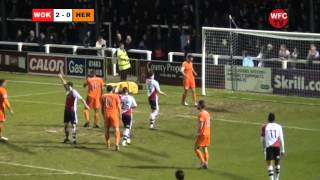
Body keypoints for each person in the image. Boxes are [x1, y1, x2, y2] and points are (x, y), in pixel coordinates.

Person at [58, 74, 90, 144]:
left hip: (72, 111)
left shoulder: (74, 92)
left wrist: (86, 105)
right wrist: (61, 77)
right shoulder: (67, 90)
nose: (67, 87)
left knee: (73, 125)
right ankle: (67, 138)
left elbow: (81, 99)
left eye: (68, 86)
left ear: (71, 86)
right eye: (67, 86)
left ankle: (74, 139)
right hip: (66, 110)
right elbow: (64, 83)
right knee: (65, 125)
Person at [261, 113, 285, 180]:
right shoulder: (279, 126)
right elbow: (281, 138)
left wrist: (263, 148)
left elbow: (262, 139)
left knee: (269, 164)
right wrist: (283, 149)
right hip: (277, 147)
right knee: (277, 164)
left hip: (269, 147)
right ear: (274, 119)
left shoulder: (264, 126)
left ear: (268, 119)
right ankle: (277, 179)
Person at [101, 85, 121, 151]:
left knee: (107, 129)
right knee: (116, 129)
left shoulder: (103, 96)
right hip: (114, 114)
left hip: (106, 114)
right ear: (112, 90)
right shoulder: (116, 96)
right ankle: (117, 144)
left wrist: (103, 114)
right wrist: (120, 114)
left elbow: (102, 107)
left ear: (107, 90)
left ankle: (108, 144)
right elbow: (118, 106)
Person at [194, 100, 210, 169]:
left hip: (202, 134)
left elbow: (201, 124)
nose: (197, 105)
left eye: (198, 104)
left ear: (200, 106)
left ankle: (203, 162)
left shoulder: (201, 114)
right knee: (205, 148)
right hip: (207, 133)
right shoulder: (207, 113)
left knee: (196, 148)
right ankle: (206, 163)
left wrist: (198, 133)